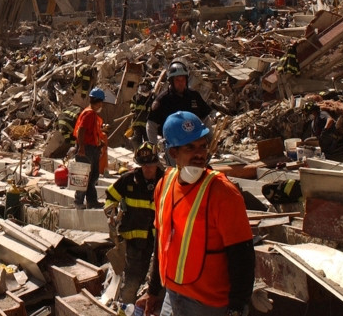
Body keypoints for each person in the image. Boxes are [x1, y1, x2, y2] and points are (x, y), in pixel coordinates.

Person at [139, 111, 254, 316]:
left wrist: (237, 307)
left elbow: (242, 255)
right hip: (172, 295)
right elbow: (161, 243)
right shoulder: (164, 185)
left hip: (208, 305)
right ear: (173, 153)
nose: (200, 154)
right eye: (190, 148)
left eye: (202, 146)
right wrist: (154, 290)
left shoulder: (222, 192)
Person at [104, 142, 164, 304]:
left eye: (150, 164)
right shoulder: (128, 180)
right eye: (143, 165)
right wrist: (111, 212)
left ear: (156, 162)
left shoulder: (165, 181)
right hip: (134, 240)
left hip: (160, 240)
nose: (147, 169)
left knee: (162, 279)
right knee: (132, 279)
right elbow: (110, 196)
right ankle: (127, 307)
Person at [146, 61, 212, 149]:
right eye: (177, 80)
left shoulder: (194, 96)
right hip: (172, 145)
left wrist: (210, 139)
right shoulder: (163, 99)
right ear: (171, 81)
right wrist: (153, 147)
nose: (181, 83)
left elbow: (205, 118)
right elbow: (151, 124)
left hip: (193, 143)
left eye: (183, 79)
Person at [72, 88, 106, 208]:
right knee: (83, 176)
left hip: (92, 148)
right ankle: (78, 202)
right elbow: (81, 130)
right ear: (99, 101)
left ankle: (92, 201)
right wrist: (81, 148)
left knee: (93, 176)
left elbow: (92, 132)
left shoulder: (92, 114)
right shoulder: (89, 113)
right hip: (86, 148)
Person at [129, 82, 155, 150]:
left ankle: (148, 153)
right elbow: (132, 105)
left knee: (148, 140)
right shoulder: (136, 96)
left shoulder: (152, 97)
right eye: (142, 87)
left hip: (147, 124)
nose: (143, 89)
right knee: (137, 140)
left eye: (145, 88)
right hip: (137, 122)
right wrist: (133, 109)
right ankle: (138, 152)